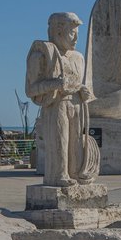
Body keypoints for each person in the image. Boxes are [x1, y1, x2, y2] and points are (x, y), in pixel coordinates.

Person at [26, 12, 97, 186]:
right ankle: (59, 176)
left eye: (77, 34)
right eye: (72, 33)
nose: (75, 39)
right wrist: (54, 84)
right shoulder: (41, 55)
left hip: (77, 105)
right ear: (58, 32)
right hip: (56, 105)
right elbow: (30, 89)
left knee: (75, 145)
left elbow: (82, 85)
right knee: (60, 142)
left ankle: (76, 174)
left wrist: (84, 92)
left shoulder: (79, 58)